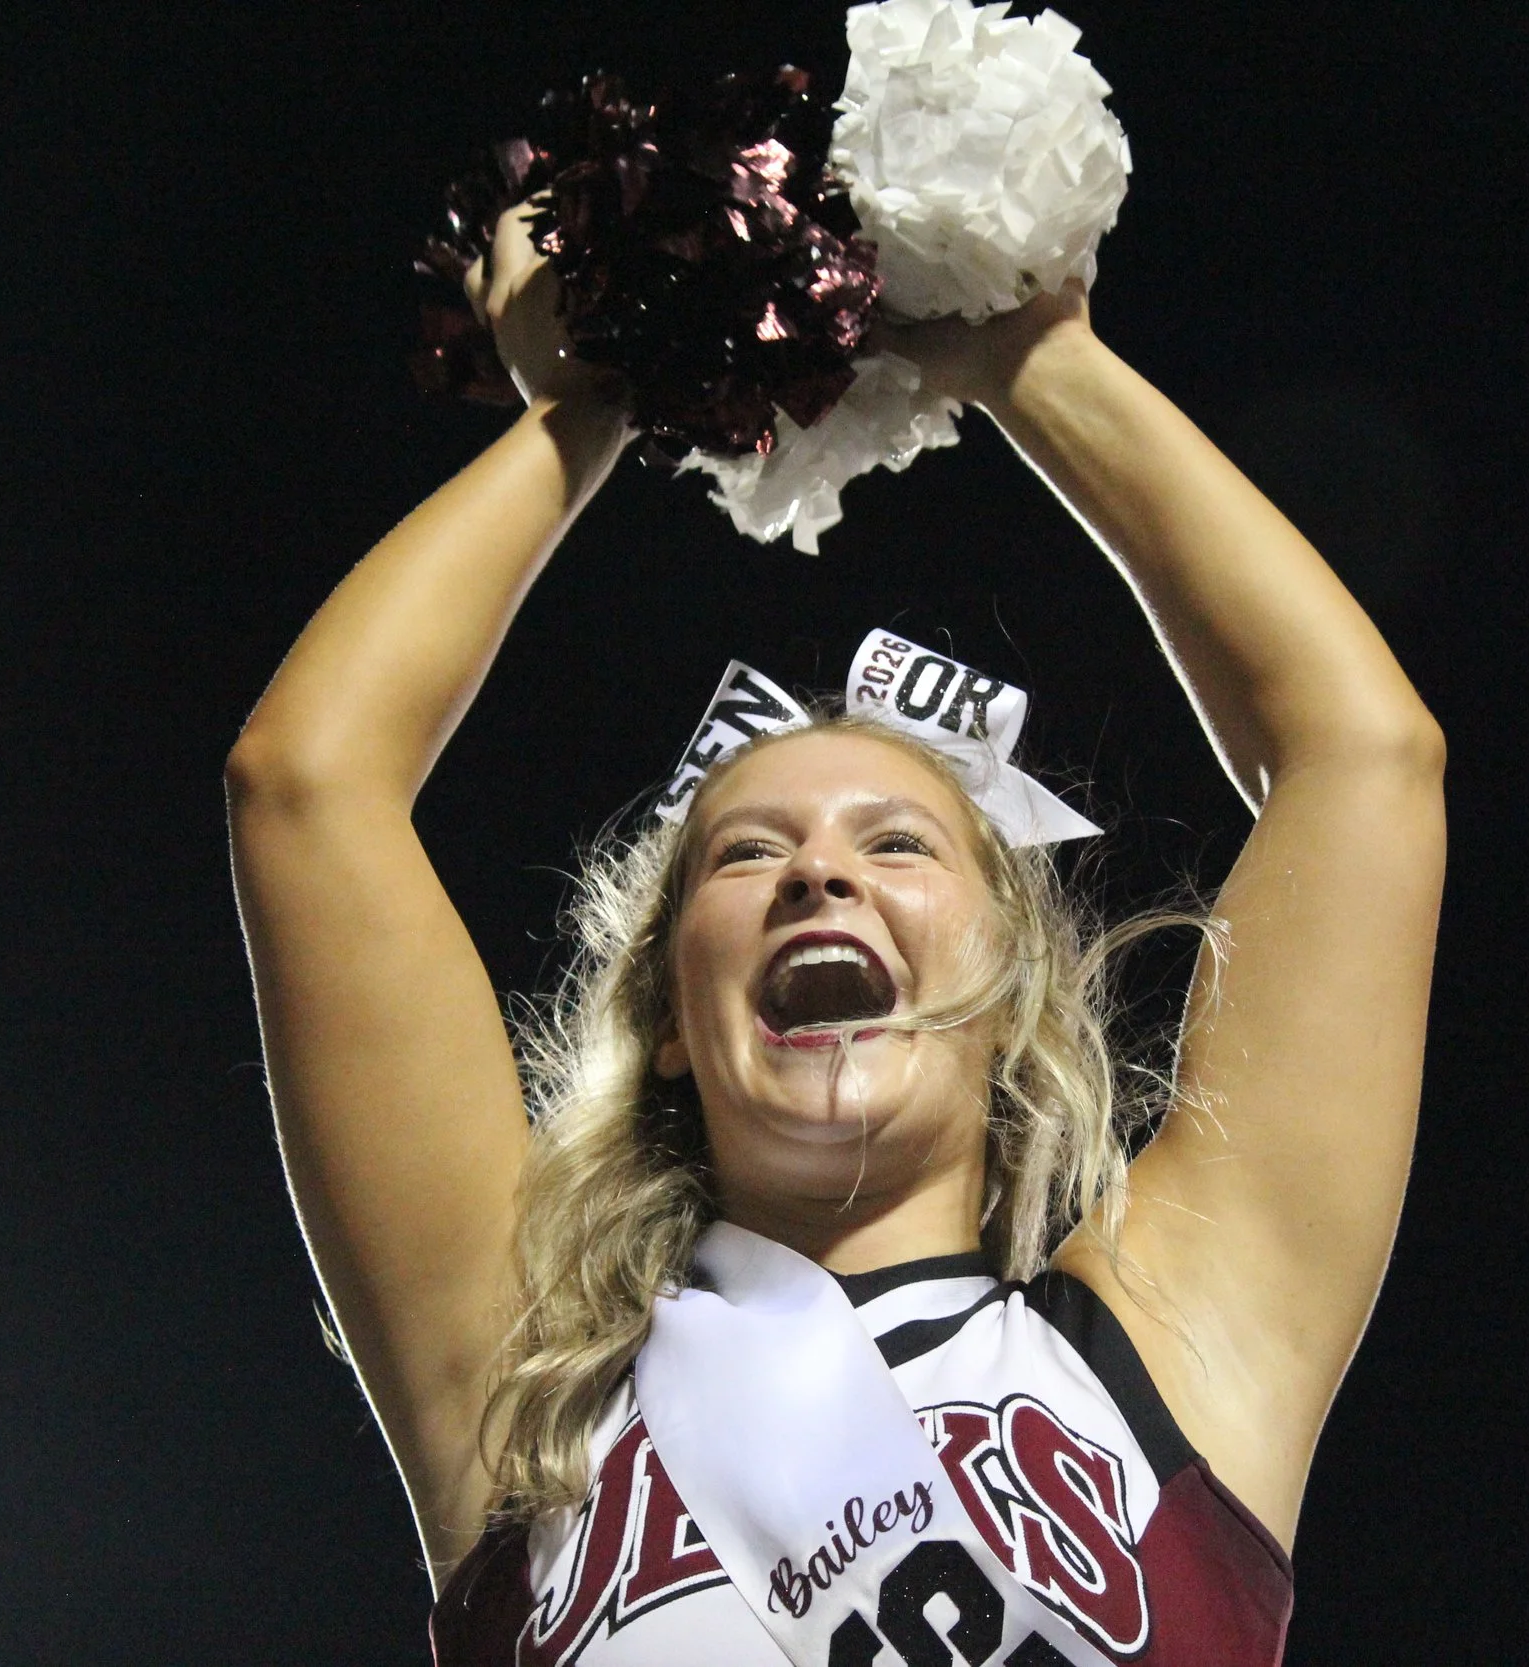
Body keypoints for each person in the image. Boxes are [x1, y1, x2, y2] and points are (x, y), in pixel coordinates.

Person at [226, 203, 1447, 1665]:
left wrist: (1032, 360)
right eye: (748, 853)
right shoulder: (527, 1382)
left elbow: (1365, 763)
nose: (819, 873)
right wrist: (596, 397)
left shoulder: (1179, 1347)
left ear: (1007, 991)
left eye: (898, 842)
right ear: (672, 1018)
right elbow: (304, 789)